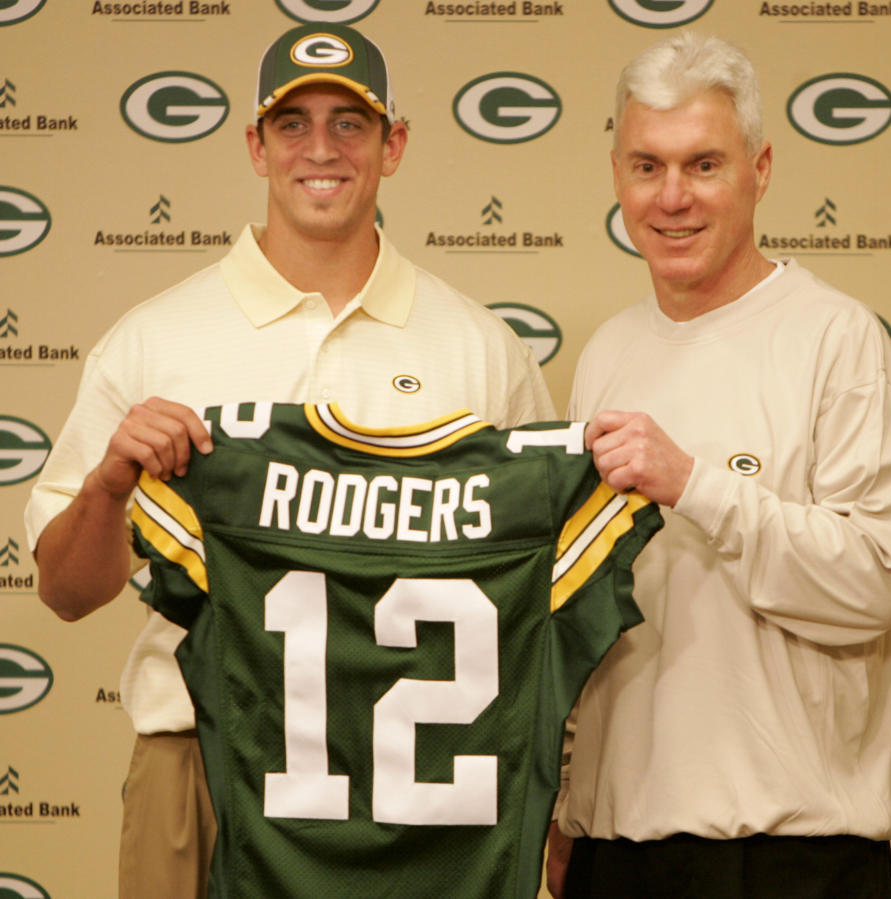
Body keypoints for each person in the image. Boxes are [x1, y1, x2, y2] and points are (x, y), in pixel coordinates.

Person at [25, 21, 554, 899]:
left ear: (396, 146)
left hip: (417, 791)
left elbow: (534, 603)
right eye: (292, 123)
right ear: (255, 144)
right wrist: (111, 485)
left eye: (350, 124)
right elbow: (65, 591)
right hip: (199, 768)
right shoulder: (157, 340)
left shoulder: (481, 349)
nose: (321, 149)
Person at [547, 31, 891, 899]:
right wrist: (568, 805)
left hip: (790, 856)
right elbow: (581, 603)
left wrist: (698, 485)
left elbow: (878, 574)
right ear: (616, 176)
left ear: (760, 168)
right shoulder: (608, 351)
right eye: (647, 166)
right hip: (617, 848)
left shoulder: (836, 337)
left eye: (703, 165)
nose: (672, 196)